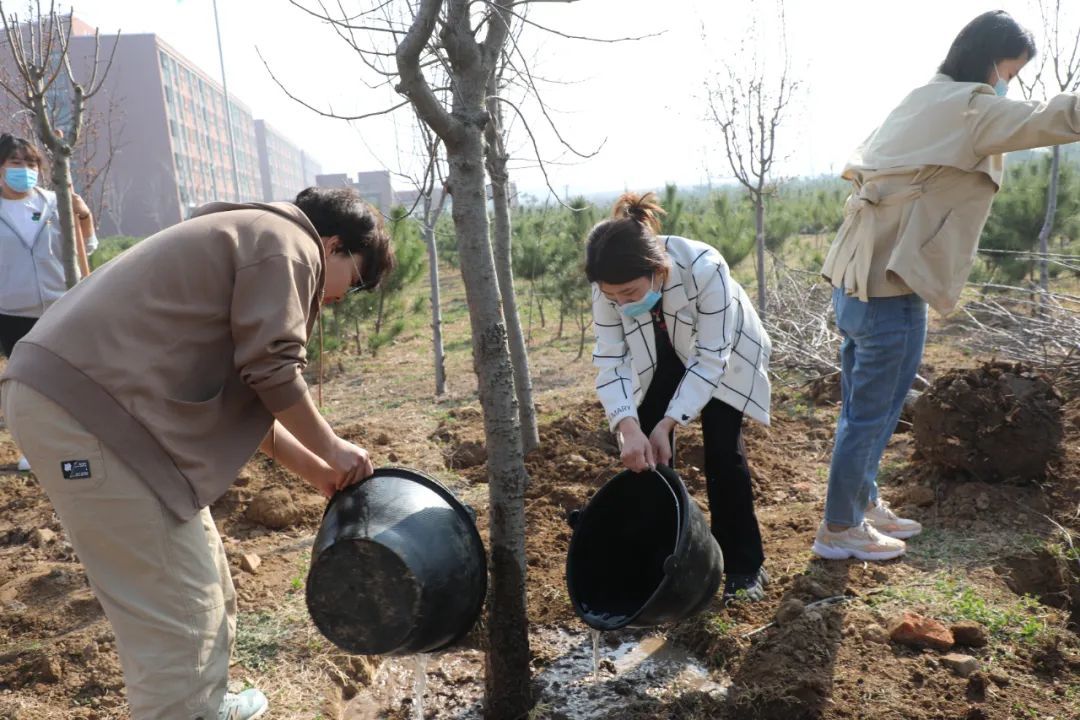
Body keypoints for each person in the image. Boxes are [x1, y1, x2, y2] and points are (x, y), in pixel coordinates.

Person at [0, 186, 395, 720]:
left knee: (202, 574)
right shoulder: (287, 244)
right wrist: (333, 446)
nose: (346, 296)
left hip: (87, 409)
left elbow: (248, 391)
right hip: (89, 415)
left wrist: (316, 468)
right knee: (177, 614)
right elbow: (273, 369)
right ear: (333, 246)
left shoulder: (248, 238)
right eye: (359, 278)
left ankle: (205, 704)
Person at [816, 10, 1080, 561]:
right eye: (1010, 71)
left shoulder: (920, 99)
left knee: (861, 410)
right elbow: (1051, 117)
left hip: (855, 277)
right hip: (890, 286)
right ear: (989, 62)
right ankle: (839, 528)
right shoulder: (971, 107)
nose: (1009, 84)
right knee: (872, 415)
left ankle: (861, 502)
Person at [587, 192, 772, 602]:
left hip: (722, 350)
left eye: (631, 294)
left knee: (723, 450)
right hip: (659, 351)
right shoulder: (608, 287)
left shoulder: (706, 268)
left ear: (657, 270)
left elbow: (710, 359)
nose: (622, 303)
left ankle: (744, 567)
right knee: (645, 458)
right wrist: (628, 426)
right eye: (613, 297)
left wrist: (671, 422)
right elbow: (610, 361)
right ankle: (661, 562)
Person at [0, 133, 98, 471]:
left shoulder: (55, 203)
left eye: (30, 164)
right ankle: (36, 448)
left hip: (63, 305)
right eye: (16, 163)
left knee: (72, 376)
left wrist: (83, 218)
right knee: (30, 386)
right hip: (13, 313)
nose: (24, 170)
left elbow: (87, 249)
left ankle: (85, 438)